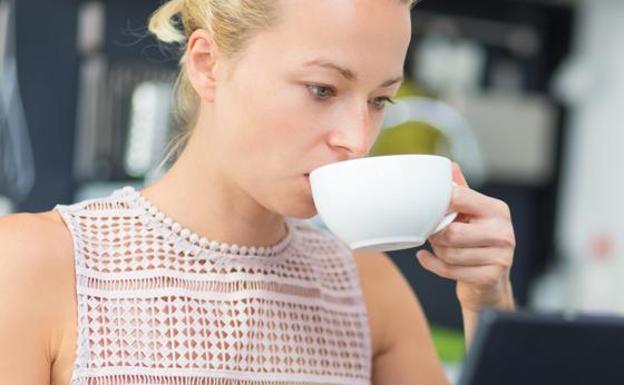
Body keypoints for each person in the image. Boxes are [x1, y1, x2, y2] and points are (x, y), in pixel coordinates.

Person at [0, 0, 516, 384]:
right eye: (322, 89)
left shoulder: (368, 292)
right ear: (208, 64)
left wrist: (488, 305)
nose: (357, 140)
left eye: (380, 100)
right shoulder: (34, 266)